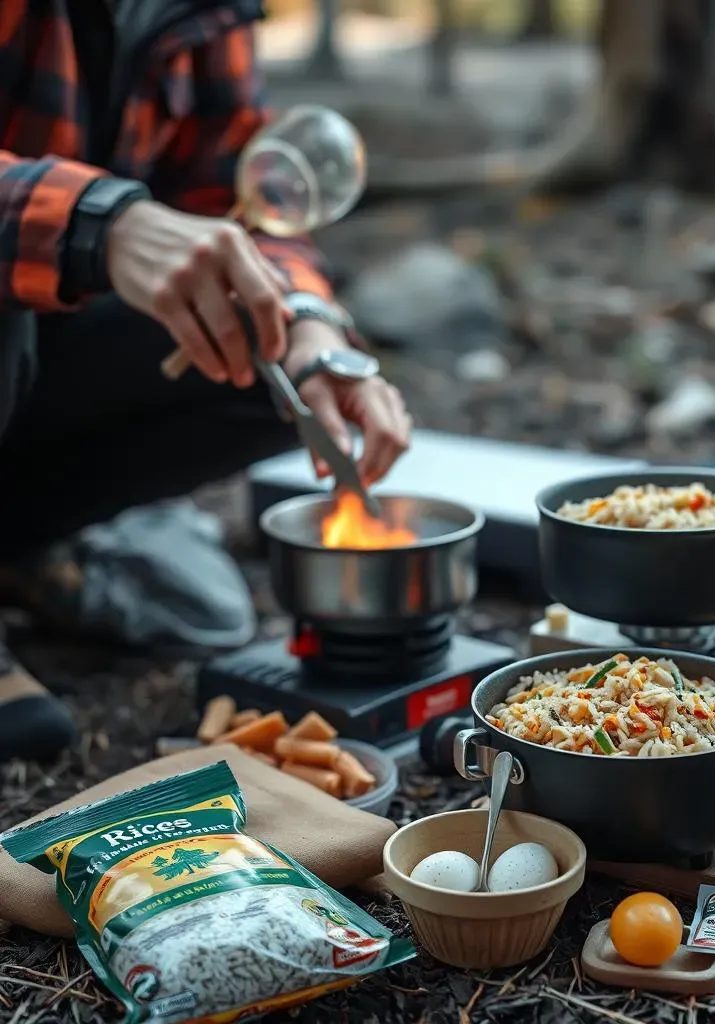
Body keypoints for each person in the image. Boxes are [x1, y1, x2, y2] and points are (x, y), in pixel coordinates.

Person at [0, 1, 413, 762]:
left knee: (266, 359)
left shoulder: (202, 12)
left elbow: (241, 204)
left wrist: (311, 330)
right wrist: (100, 224)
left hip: (45, 357)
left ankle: (23, 544)